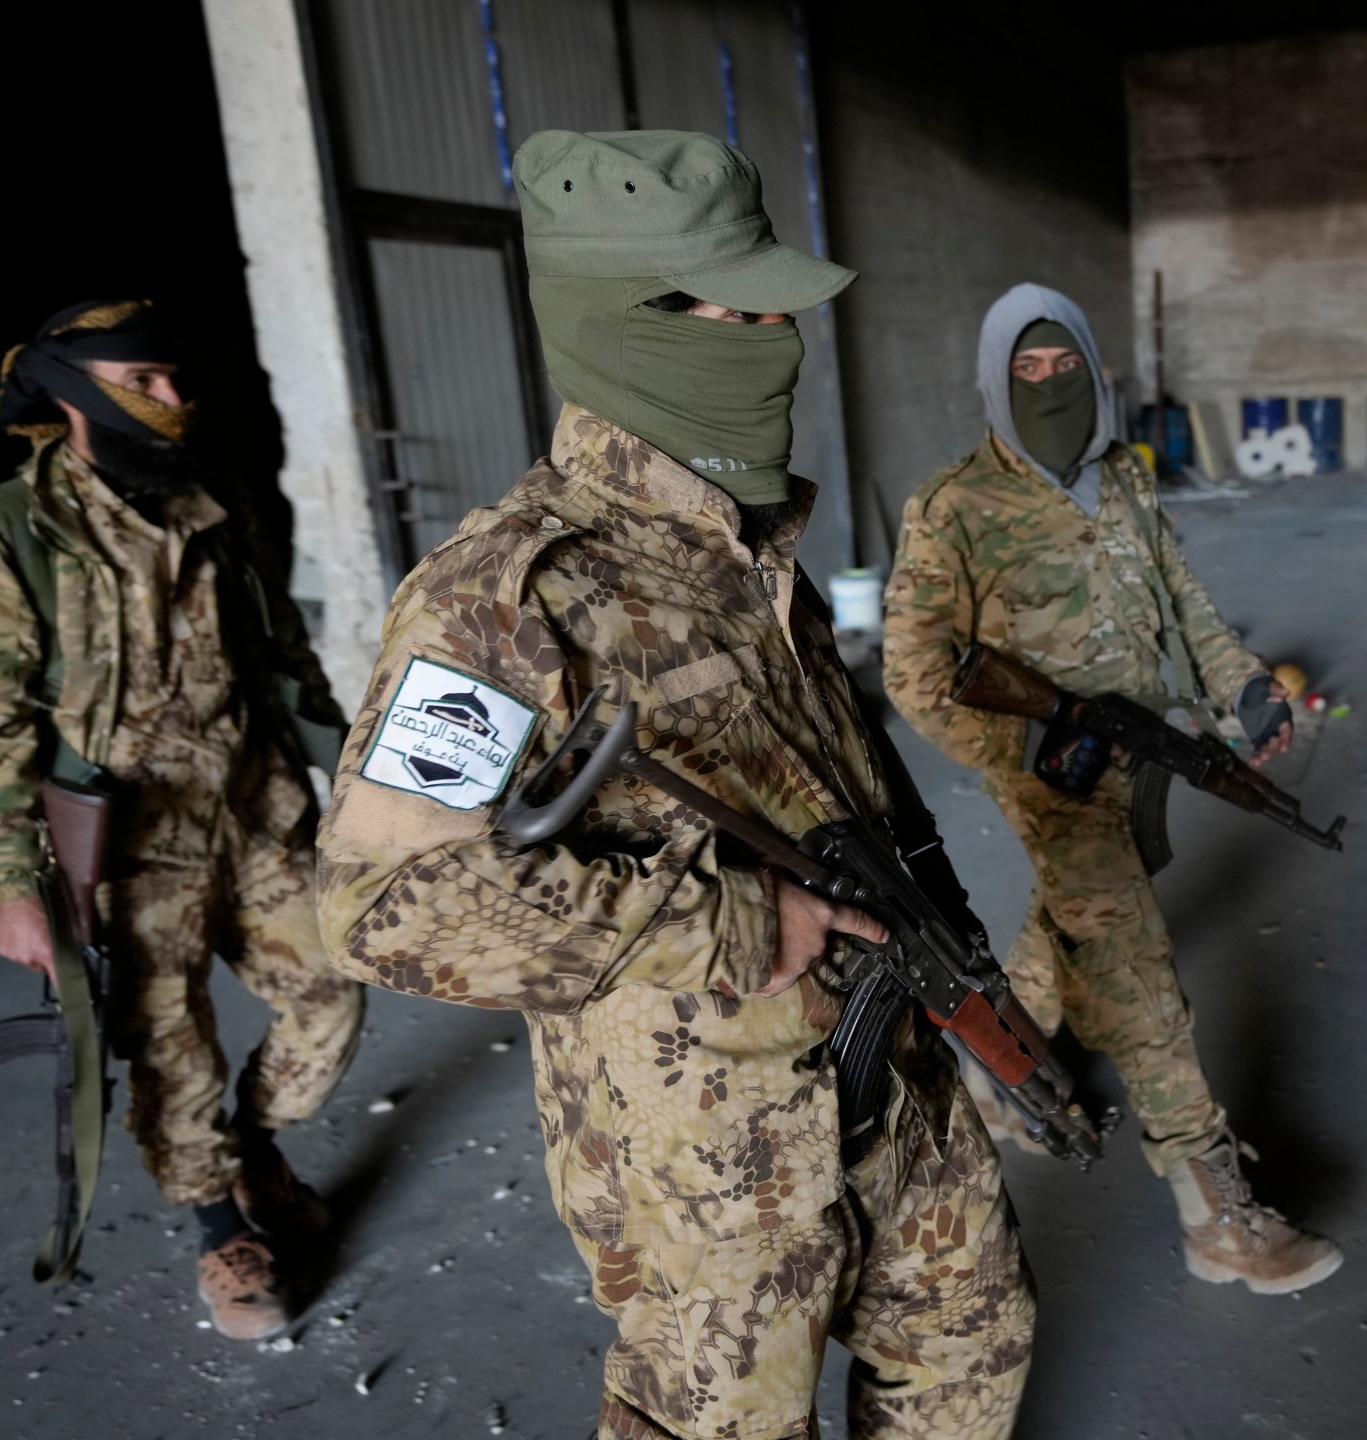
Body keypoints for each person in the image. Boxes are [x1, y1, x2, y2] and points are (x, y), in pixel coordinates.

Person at [315, 130, 1033, 1440]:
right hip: (717, 1146)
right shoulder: (508, 589)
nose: (773, 341)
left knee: (972, 1345)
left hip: (894, 1055)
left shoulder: (751, 553)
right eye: (735, 311)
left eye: (778, 311)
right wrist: (735, 920)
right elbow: (384, 907)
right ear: (622, 322)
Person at [0, 300, 364, 1338]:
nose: (172, 400)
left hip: (254, 809)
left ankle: (250, 1149)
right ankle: (221, 1233)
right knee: (168, 1048)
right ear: (72, 395)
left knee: (332, 989)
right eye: (143, 383)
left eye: (175, 380)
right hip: (118, 849)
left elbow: (284, 659)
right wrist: (12, 886)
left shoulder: (217, 505)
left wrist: (354, 781)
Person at [881, 284, 1343, 1295]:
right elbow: (913, 673)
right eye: (1026, 373)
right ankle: (1211, 1201)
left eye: (1066, 369)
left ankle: (989, 1072)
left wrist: (1244, 687)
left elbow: (1185, 603)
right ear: (995, 386)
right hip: (1049, 772)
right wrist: (1024, 751)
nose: (1050, 387)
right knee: (1134, 971)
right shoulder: (952, 505)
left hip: (1141, 749)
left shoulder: (1123, 481)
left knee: (1073, 923)